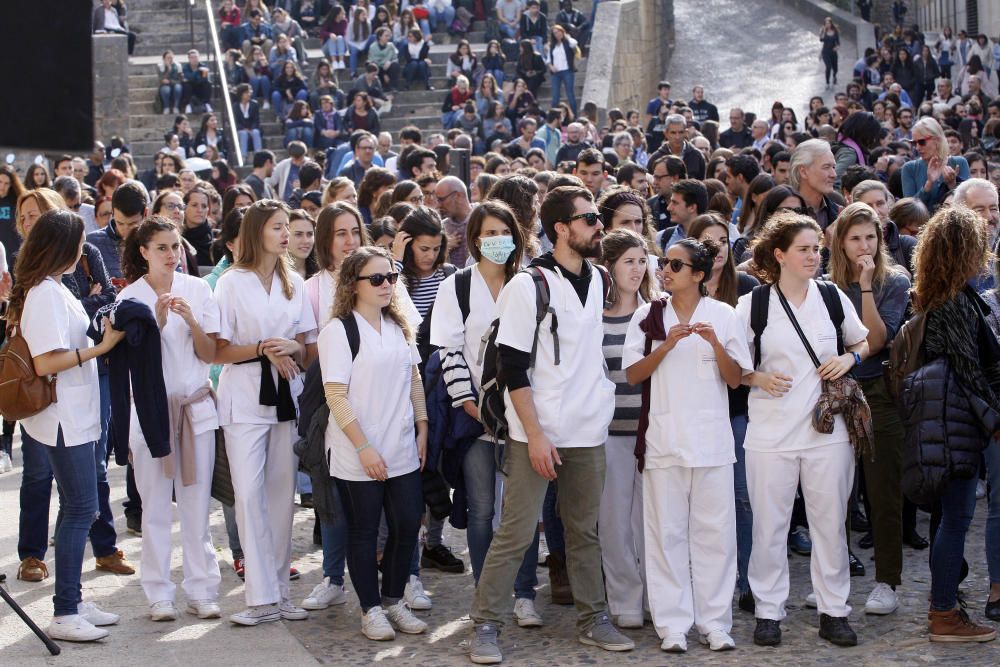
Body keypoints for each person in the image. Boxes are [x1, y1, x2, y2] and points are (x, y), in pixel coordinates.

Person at [468, 185, 635, 664]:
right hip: (535, 431)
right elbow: (512, 369)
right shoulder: (528, 285)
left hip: (587, 427)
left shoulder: (601, 278)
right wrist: (536, 435)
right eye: (588, 220)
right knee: (517, 532)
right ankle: (485, 624)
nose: (599, 227)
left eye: (597, 219)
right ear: (561, 228)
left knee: (584, 531)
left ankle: (593, 618)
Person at [736, 211, 869, 648]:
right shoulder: (753, 304)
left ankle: (834, 611)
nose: (814, 256)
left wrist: (850, 360)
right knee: (770, 527)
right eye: (804, 249)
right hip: (770, 433)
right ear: (780, 255)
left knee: (830, 525)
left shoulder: (832, 297)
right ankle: (769, 611)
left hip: (826, 432)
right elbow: (734, 368)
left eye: (817, 248)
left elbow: (863, 340)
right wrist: (758, 378)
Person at [624, 236, 751, 652]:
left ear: (699, 275)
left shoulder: (724, 315)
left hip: (712, 442)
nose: (665, 270)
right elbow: (633, 375)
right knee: (665, 535)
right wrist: (668, 344)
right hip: (664, 441)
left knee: (715, 535)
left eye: (675, 265)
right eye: (665, 262)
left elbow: (735, 379)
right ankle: (672, 624)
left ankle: (714, 622)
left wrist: (714, 344)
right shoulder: (648, 315)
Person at [429, 199, 546, 628]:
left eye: (504, 232)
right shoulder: (456, 286)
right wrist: (469, 402)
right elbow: (448, 348)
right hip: (476, 414)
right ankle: (486, 589)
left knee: (522, 510)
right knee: (480, 508)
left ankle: (523, 592)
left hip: (520, 413)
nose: (498, 241)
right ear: (475, 239)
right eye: (489, 233)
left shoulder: (530, 283)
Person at [11, 209, 125, 641]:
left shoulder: (53, 287)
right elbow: (46, 361)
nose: (84, 251)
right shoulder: (43, 293)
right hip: (63, 417)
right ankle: (64, 611)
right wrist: (102, 347)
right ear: (64, 247)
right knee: (81, 509)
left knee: (79, 508)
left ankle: (72, 599)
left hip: (74, 413)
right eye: (79, 243)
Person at [318, 245, 429, 641]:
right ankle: (370, 609)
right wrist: (364, 447)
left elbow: (413, 378)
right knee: (363, 531)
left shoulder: (398, 326)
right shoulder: (339, 330)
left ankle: (394, 598)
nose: (387, 285)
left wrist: (423, 424)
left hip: (400, 446)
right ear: (354, 284)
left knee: (405, 524)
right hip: (355, 449)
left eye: (392, 277)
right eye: (377, 278)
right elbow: (336, 394)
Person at [214, 199, 317, 626]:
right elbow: (218, 349)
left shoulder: (294, 281)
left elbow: (310, 350)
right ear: (258, 232)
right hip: (243, 398)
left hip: (287, 398)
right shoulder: (230, 283)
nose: (285, 235)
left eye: (286, 228)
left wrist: (291, 348)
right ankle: (257, 597)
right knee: (249, 495)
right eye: (277, 227)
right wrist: (261, 349)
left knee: (281, 497)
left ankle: (280, 592)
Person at [116, 217, 223, 621]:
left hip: (194, 408)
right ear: (143, 251)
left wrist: (192, 320)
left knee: (196, 506)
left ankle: (202, 588)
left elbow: (210, 354)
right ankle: (159, 592)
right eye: (161, 247)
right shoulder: (130, 297)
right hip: (150, 412)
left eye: (175, 246)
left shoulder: (197, 288)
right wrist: (157, 322)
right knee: (155, 507)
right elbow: (130, 358)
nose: (171, 255)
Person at [909, 205, 999, 642]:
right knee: (956, 518)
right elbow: (969, 370)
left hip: (946, 422)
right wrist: (996, 422)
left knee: (950, 517)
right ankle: (943, 612)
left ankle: (945, 606)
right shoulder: (954, 303)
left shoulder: (938, 296)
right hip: (955, 424)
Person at [825, 202, 911, 616]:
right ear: (841, 241)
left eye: (871, 237)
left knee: (883, 492)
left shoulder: (893, 280)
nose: (864, 245)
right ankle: (834, 578)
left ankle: (887, 581)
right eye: (856, 237)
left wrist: (863, 286)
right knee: (835, 493)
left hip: (878, 392)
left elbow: (877, 340)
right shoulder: (824, 284)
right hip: (836, 393)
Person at [594, 229, 654, 630]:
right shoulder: (592, 316)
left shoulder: (658, 312)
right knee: (614, 523)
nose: (637, 268)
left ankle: (657, 596)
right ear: (611, 266)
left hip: (652, 432)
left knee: (652, 521)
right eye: (629, 261)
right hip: (609, 434)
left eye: (642, 260)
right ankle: (624, 598)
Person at [901, 117, 971, 213]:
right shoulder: (909, 168)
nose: (917, 147)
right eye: (914, 143)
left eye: (922, 142)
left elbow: (968, 203)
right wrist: (928, 184)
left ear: (937, 140)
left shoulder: (959, 162)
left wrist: (952, 185)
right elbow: (909, 211)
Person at [545, 25, 578, 116]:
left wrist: (567, 36)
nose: (557, 34)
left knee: (570, 94)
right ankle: (554, 117)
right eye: (554, 33)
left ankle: (574, 115)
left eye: (559, 31)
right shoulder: (552, 45)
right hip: (556, 73)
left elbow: (574, 43)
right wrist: (551, 67)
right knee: (555, 96)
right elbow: (548, 59)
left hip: (567, 71)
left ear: (562, 31)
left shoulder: (568, 42)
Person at [819, 17, 840, 87]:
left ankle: (834, 76)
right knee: (828, 67)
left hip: (833, 52)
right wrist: (821, 32)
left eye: (829, 23)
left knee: (835, 68)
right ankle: (827, 82)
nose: (828, 25)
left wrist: (837, 47)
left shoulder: (835, 31)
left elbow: (838, 42)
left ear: (831, 23)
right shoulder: (824, 31)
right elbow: (821, 40)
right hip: (825, 52)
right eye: (826, 23)